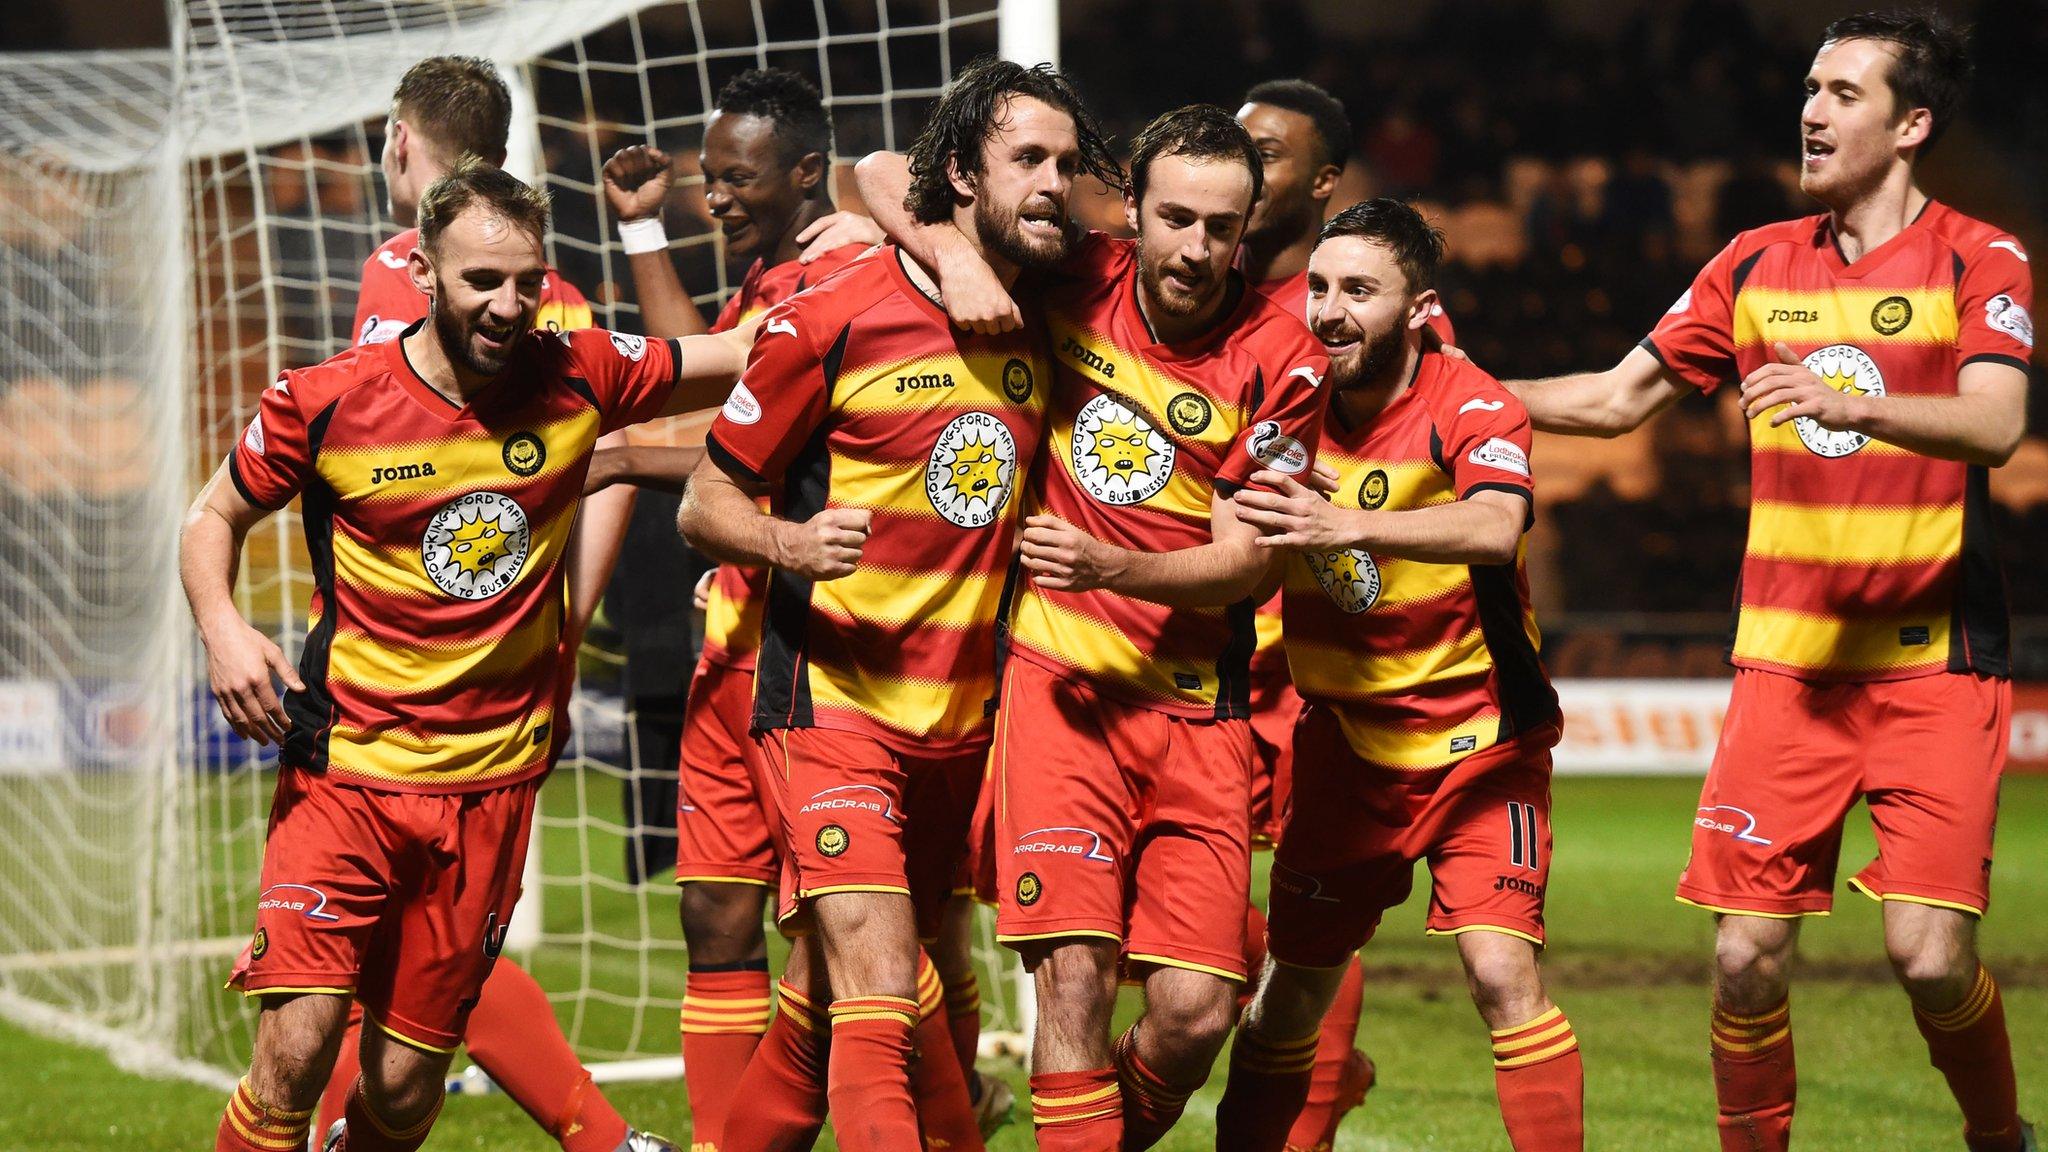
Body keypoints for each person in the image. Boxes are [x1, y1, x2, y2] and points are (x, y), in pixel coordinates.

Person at [1502, 12, 2034, 1151]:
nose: (1811, 110)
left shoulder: (1977, 258)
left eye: (1843, 92)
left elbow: (1995, 424)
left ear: (1911, 125)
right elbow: (1611, 401)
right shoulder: (1752, 262)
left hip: (1930, 664)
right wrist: (1446, 384)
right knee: (1742, 958)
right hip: (1785, 670)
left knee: (1928, 958)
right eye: (1808, 88)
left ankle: (1997, 1135)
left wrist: (1857, 405)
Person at [192, 161, 754, 1152]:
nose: (506, 305)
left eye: (525, 281)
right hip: (345, 780)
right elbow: (214, 515)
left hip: (489, 793)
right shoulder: (325, 402)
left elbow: (743, 353)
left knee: (405, 1090)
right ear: (421, 272)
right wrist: (223, 626)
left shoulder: (579, 370)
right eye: (480, 281)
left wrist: (905, 262)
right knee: (293, 1052)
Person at [860, 103, 1329, 1151]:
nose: (1196, 249)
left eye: (1221, 227)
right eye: (1175, 219)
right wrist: (953, 254)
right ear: (1132, 209)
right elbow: (880, 166)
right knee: (1073, 980)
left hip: (1197, 718)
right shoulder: (1077, 269)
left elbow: (1249, 562)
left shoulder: (1282, 355)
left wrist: (1109, 563)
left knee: (1193, 1014)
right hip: (1058, 695)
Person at [677, 55, 1118, 1152]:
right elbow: (704, 502)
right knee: (878, 989)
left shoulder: (1058, 303)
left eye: (1067, 162)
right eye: (1027, 159)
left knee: (821, 1004)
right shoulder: (827, 318)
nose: (1053, 182)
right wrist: (786, 540)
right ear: (961, 176)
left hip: (965, 722)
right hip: (829, 701)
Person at [328, 55, 670, 1152]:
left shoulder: (408, 273)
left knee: (371, 949)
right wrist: (565, 626)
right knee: (437, 948)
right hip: (517, 667)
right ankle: (608, 1144)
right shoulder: (547, 288)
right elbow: (611, 456)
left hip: (401, 670)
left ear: (397, 139)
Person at [1216, 199, 1581, 1152]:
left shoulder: (1472, 401)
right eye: (1321, 288)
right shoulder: (1283, 409)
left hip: (1480, 745)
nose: (1332, 310)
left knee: (1502, 976)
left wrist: (1350, 523)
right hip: (1344, 754)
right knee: (1290, 995)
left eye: (1360, 291)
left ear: (1418, 307)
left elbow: (1496, 526)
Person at [595, 66, 897, 1149]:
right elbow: (699, 386)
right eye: (709, 178)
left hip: (817, 649)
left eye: (736, 178)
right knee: (713, 912)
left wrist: (622, 453)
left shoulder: (845, 277)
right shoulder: (768, 274)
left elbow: (740, 440)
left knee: (845, 939)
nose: (713, 196)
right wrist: (640, 237)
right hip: (729, 630)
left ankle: (933, 1103)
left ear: (808, 171)